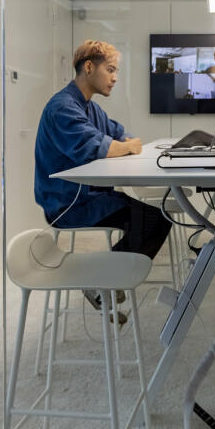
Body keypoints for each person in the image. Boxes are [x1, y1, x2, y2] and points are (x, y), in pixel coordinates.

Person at [34, 39, 171, 320]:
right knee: (153, 220)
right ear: (88, 67)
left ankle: (106, 285)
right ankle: (102, 284)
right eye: (110, 70)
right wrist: (123, 146)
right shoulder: (63, 108)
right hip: (68, 205)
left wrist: (124, 145)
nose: (115, 77)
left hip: (92, 197)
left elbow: (121, 136)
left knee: (153, 219)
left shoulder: (90, 108)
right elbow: (103, 147)